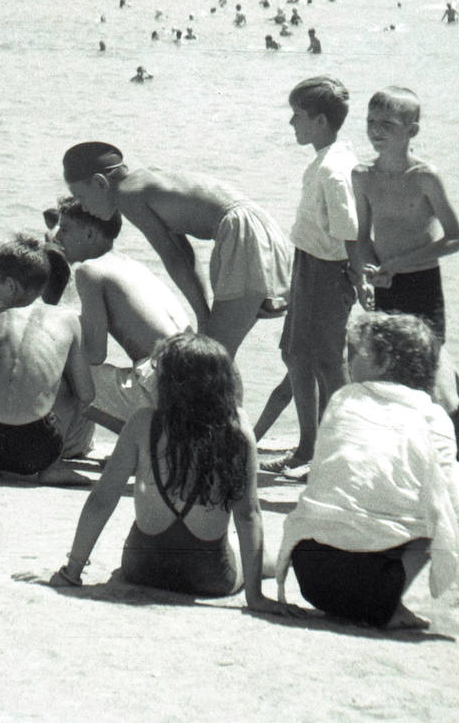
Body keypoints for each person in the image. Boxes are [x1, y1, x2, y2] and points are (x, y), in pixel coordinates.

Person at [50, 332, 296, 615]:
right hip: (209, 575)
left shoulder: (142, 423)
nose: (150, 377)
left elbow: (102, 500)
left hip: (142, 566)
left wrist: (73, 571)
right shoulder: (237, 433)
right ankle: (279, 563)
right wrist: (255, 598)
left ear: (171, 383)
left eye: (157, 371)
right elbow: (247, 515)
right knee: (263, 558)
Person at [276, 314, 459, 629]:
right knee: (448, 492)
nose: (348, 360)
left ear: (384, 361)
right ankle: (393, 606)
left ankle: (378, 595)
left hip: (311, 573)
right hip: (374, 589)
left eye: (356, 353)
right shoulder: (431, 415)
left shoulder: (343, 399)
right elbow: (450, 510)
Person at [62, 141, 291, 358]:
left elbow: (172, 256)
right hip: (262, 226)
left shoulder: (127, 195)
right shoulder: (145, 179)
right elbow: (184, 252)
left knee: (212, 355)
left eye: (79, 196)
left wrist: (202, 315)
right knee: (218, 349)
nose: (82, 207)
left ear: (100, 183)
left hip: (240, 232)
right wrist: (204, 314)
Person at [269, 76, 359, 475]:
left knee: (326, 360)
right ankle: (310, 447)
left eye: (299, 116)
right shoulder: (327, 160)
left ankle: (333, 450)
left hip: (329, 269)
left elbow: (349, 230)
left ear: (320, 121)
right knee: (295, 353)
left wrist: (356, 278)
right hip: (309, 263)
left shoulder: (334, 169)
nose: (292, 123)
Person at [0, 236, 95, 484]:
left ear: (10, 286)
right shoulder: (70, 319)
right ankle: (54, 466)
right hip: (38, 449)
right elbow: (87, 395)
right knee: (71, 389)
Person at [52, 197, 191, 433]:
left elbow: (95, 354)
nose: (56, 237)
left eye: (65, 229)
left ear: (89, 235)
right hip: (193, 379)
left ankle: (146, 445)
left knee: (59, 365)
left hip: (162, 386)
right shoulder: (134, 266)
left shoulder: (90, 271)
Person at [351, 86, 459, 344]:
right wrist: (370, 273)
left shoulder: (425, 177)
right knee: (387, 364)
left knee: (427, 362)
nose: (376, 129)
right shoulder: (362, 176)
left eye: (387, 123)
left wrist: (397, 265)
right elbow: (362, 237)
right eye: (371, 121)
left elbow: (455, 239)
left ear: (411, 131)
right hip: (385, 283)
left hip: (422, 283)